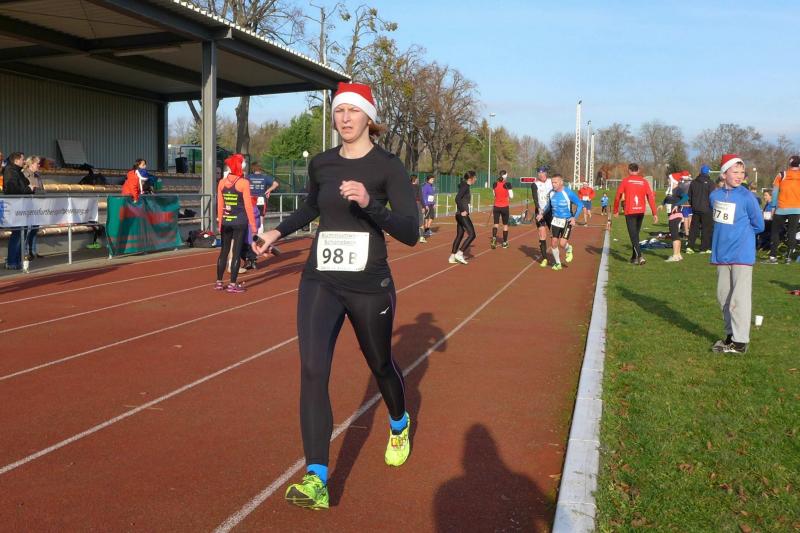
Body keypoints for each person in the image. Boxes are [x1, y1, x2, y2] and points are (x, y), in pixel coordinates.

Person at [252, 82, 418, 510]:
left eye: (353, 111)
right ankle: (317, 478)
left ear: (369, 118)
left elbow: (411, 232)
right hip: (320, 279)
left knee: (380, 364)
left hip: (368, 284)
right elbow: (313, 207)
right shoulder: (322, 164)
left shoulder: (388, 167)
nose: (345, 118)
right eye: (339, 111)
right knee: (312, 370)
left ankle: (398, 422)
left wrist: (369, 204)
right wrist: (276, 232)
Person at [710, 154, 764, 354]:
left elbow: (759, 225)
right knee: (723, 297)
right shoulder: (714, 196)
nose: (740, 175)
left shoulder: (747, 197)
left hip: (742, 254)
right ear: (724, 174)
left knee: (739, 299)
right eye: (735, 171)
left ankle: (740, 342)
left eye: (742, 172)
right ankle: (730, 336)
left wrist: (742, 236)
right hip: (721, 254)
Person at [214, 154, 256, 292]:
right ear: (240, 166)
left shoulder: (221, 182)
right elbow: (248, 206)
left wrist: (220, 223)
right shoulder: (244, 183)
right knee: (236, 253)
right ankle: (232, 284)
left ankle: (219, 282)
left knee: (223, 252)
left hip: (226, 221)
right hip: (240, 222)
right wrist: (253, 226)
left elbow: (220, 205)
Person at [613, 163, 658, 265]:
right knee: (635, 235)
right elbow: (650, 197)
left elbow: (617, 196)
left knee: (633, 235)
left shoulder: (625, 181)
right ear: (638, 170)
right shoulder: (644, 181)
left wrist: (615, 210)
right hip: (640, 211)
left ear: (629, 170)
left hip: (630, 211)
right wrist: (654, 213)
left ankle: (640, 256)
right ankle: (634, 257)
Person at [538, 174, 583, 271]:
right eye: (552, 182)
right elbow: (548, 206)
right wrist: (542, 214)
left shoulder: (568, 192)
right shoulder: (551, 193)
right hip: (555, 220)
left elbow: (580, 204)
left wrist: (574, 218)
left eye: (555, 182)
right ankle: (558, 263)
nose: (553, 184)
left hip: (567, 220)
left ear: (561, 182)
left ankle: (569, 248)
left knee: (562, 244)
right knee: (553, 243)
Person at [765, 155, 800, 264]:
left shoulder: (781, 174)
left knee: (775, 231)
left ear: (789, 163)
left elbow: (775, 192)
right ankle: (788, 258)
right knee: (792, 232)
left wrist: (773, 207)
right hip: (796, 209)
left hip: (782, 208)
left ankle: (773, 257)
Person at [3, 152, 29, 270]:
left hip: (20, 206)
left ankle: (17, 260)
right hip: (15, 207)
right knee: (17, 234)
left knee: (21, 233)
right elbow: (12, 189)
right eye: (23, 159)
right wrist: (27, 189)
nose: (24, 161)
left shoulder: (18, 171)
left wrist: (28, 188)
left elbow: (25, 184)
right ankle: (12, 261)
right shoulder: (10, 171)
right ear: (16, 160)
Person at [686, 165, 715, 254]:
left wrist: (692, 205)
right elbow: (712, 197)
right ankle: (703, 248)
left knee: (693, 229)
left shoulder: (693, 182)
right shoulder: (711, 183)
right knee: (706, 229)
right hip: (707, 209)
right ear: (708, 173)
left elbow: (689, 196)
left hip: (695, 209)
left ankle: (690, 247)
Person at [450, 171, 478, 264]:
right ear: (470, 179)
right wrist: (462, 210)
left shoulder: (465, 186)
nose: (476, 179)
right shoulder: (465, 186)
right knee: (472, 235)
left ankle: (452, 257)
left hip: (459, 215)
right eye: (475, 178)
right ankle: (460, 253)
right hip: (461, 215)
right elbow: (457, 198)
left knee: (460, 235)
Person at [22, 155, 45, 259]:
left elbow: (43, 191)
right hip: (26, 206)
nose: (39, 165)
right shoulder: (23, 174)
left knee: (35, 229)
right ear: (31, 164)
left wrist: (36, 189)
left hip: (37, 206)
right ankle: (25, 252)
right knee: (27, 230)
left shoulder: (38, 176)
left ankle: (33, 251)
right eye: (37, 163)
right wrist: (33, 189)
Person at [530, 166, 554, 266]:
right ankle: (544, 258)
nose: (541, 174)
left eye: (542, 172)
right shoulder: (534, 184)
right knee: (542, 234)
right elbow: (535, 199)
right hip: (540, 212)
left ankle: (556, 255)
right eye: (539, 173)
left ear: (546, 173)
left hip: (551, 212)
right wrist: (539, 209)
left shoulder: (551, 182)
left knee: (554, 235)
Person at [663, 188, 689, 262]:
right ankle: (678, 255)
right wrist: (662, 204)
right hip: (673, 215)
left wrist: (677, 205)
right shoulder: (670, 190)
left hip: (676, 215)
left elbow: (686, 197)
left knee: (674, 236)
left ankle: (675, 256)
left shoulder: (678, 190)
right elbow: (666, 199)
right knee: (676, 235)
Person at [491, 170, 512, 249]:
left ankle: (494, 239)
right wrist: (507, 195)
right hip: (504, 207)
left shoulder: (494, 184)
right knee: (505, 225)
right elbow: (511, 196)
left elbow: (494, 194)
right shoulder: (507, 184)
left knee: (496, 224)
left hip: (496, 206)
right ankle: (504, 242)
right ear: (505, 176)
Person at [410, 174, 426, 243]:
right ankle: (421, 237)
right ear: (415, 179)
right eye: (417, 179)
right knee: (420, 220)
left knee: (411, 219)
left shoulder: (407, 186)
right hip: (417, 204)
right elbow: (421, 197)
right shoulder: (418, 186)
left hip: (410, 204)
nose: (418, 180)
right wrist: (424, 206)